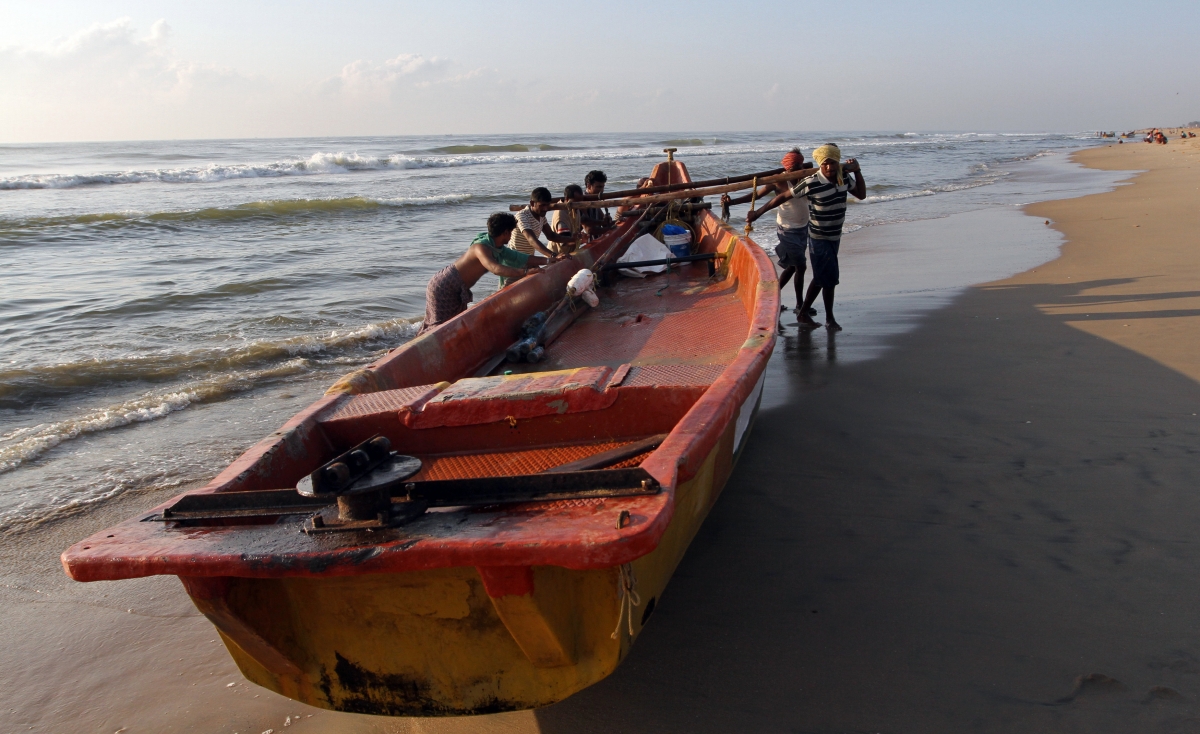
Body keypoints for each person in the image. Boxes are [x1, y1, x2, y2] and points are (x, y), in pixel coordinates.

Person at [748, 143, 865, 331]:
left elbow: (861, 194)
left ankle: (803, 311)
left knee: (821, 277)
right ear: (819, 164)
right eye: (825, 164)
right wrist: (757, 213)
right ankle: (828, 318)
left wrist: (857, 171)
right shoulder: (811, 181)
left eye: (833, 163)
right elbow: (783, 197)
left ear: (837, 163)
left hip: (835, 235)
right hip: (818, 236)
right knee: (829, 278)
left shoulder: (844, 177)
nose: (829, 167)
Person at [417, 213, 550, 335]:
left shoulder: (497, 248)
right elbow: (495, 268)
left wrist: (550, 259)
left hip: (457, 288)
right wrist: (525, 272)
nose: (511, 237)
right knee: (438, 329)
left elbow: (521, 258)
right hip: (444, 287)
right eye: (511, 232)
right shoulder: (481, 247)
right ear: (505, 232)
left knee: (451, 325)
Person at [722, 148, 817, 314]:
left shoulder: (805, 176)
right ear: (788, 168)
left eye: (800, 165)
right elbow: (756, 196)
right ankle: (800, 305)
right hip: (787, 229)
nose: (798, 169)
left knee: (794, 267)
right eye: (794, 167)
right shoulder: (779, 181)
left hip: (803, 228)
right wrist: (732, 203)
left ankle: (772, 299)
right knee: (800, 266)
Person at [510, 187, 576, 258]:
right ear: (532, 203)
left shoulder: (541, 216)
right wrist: (553, 255)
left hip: (528, 258)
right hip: (514, 258)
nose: (545, 209)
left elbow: (551, 236)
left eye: (547, 205)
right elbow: (531, 240)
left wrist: (572, 238)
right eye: (542, 205)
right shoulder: (522, 216)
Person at [549, 184, 584, 254]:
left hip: (570, 252)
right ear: (567, 199)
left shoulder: (575, 209)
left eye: (580, 201)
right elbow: (564, 243)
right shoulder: (561, 214)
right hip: (557, 255)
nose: (579, 204)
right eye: (576, 201)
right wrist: (582, 240)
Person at [580, 170, 614, 236]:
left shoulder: (594, 200)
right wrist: (611, 229)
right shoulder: (583, 202)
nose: (601, 190)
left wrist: (616, 221)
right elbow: (589, 230)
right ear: (589, 186)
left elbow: (604, 223)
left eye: (603, 187)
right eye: (598, 187)